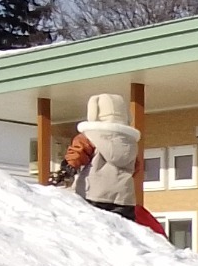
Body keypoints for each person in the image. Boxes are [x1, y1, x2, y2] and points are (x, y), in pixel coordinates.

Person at [53, 92, 141, 221]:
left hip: (93, 193)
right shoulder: (130, 142)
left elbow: (77, 154)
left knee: (92, 230)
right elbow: (136, 167)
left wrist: (66, 169)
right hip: (124, 197)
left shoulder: (89, 136)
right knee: (122, 233)